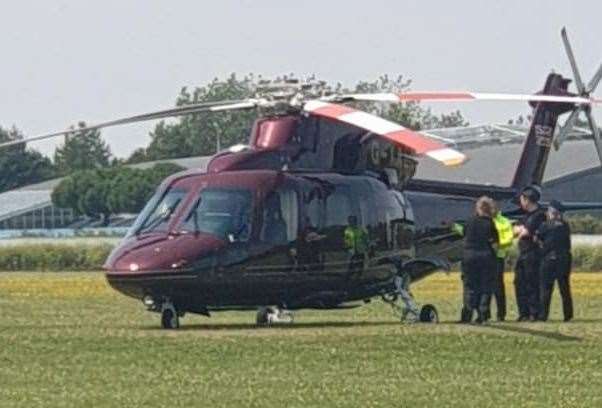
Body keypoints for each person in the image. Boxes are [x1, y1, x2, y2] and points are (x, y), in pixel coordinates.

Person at [460, 196, 499, 324]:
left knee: (469, 286)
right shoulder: (490, 224)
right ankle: (482, 314)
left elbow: (465, 236)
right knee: (485, 286)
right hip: (485, 256)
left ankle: (467, 314)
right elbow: (495, 244)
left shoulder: (469, 221)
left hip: (469, 257)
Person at [536, 200, 573, 321]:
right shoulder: (565, 226)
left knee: (545, 288)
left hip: (548, 259)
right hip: (563, 259)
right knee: (564, 288)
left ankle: (543, 315)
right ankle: (568, 315)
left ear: (551, 212)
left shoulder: (545, 225)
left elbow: (537, 239)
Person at [514, 185, 546, 321]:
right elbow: (516, 230)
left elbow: (524, 232)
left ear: (527, 200)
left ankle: (534, 312)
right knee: (519, 282)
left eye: (522, 199)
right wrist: (520, 230)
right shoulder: (526, 216)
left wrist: (521, 230)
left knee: (531, 283)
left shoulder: (538, 215)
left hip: (533, 253)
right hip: (523, 253)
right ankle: (523, 312)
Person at [488, 203, 514, 321]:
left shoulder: (503, 221)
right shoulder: (485, 220)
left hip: (498, 256)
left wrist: (497, 245)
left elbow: (508, 240)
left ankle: (501, 314)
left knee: (498, 286)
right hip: (486, 256)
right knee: (485, 286)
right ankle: (485, 313)